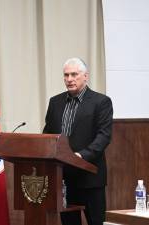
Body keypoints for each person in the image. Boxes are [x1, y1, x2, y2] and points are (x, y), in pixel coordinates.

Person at [43, 57, 113, 225]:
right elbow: (47, 135)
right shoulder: (55, 102)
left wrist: (81, 155)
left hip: (89, 177)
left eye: (74, 74)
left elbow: (103, 136)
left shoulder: (101, 102)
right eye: (66, 75)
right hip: (64, 179)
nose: (69, 79)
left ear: (85, 76)